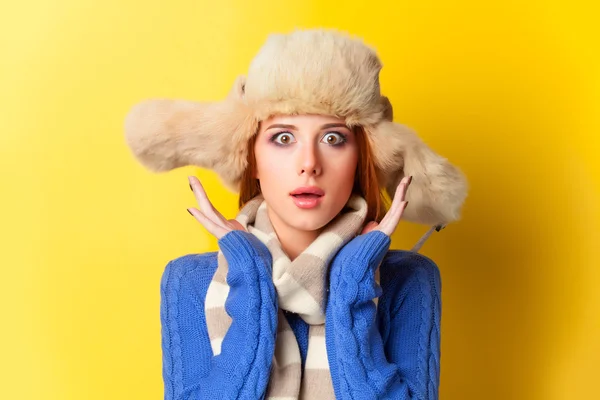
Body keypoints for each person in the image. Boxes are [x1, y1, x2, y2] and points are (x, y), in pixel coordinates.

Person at [125, 29, 468, 400]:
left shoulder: (406, 280)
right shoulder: (190, 281)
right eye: (283, 138)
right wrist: (250, 278)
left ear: (360, 160)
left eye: (333, 138)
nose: (309, 164)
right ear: (251, 158)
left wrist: (352, 286)